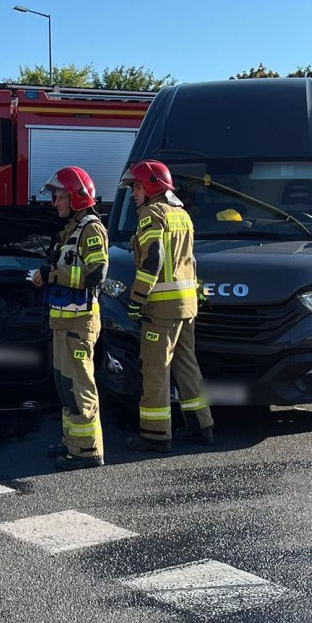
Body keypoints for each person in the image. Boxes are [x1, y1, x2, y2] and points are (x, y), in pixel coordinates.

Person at [120, 159, 215, 452]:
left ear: (151, 186)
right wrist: (197, 292)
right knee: (187, 365)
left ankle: (155, 435)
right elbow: (189, 261)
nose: (133, 193)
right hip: (187, 306)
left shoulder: (151, 213)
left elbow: (153, 260)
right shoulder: (182, 215)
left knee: (155, 369)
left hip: (161, 309)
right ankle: (202, 427)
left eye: (136, 187)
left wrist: (136, 300)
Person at [31, 166, 109, 471]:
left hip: (79, 324)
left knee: (79, 385)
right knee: (66, 385)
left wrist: (52, 275)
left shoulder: (91, 229)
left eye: (59, 196)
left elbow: (96, 274)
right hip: (63, 323)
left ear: (76, 196)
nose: (55, 203)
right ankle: (72, 443)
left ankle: (88, 451)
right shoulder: (72, 230)